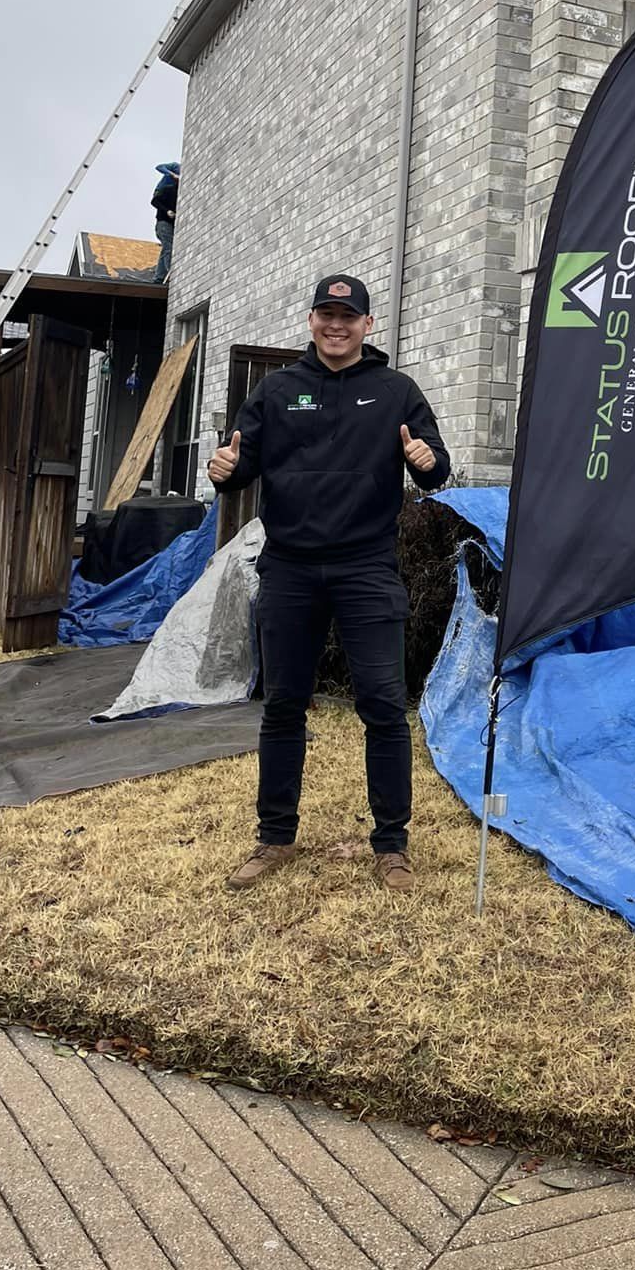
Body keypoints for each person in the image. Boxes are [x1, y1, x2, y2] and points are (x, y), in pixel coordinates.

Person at [208, 275, 450, 894]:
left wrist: (427, 461)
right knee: (283, 705)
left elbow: (434, 468)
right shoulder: (277, 390)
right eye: (326, 314)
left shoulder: (396, 391)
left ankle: (391, 845)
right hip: (289, 567)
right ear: (312, 320)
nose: (336, 325)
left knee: (384, 707)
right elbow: (238, 468)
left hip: (366, 567)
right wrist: (223, 468)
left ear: (368, 325)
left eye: (348, 316)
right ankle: (275, 837)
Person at [152, 162, 181, 281]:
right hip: (163, 223)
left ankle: (159, 277)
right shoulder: (169, 188)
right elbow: (154, 201)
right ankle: (171, 272)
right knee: (169, 247)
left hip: (168, 224)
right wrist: (172, 174)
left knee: (166, 248)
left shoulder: (178, 194)